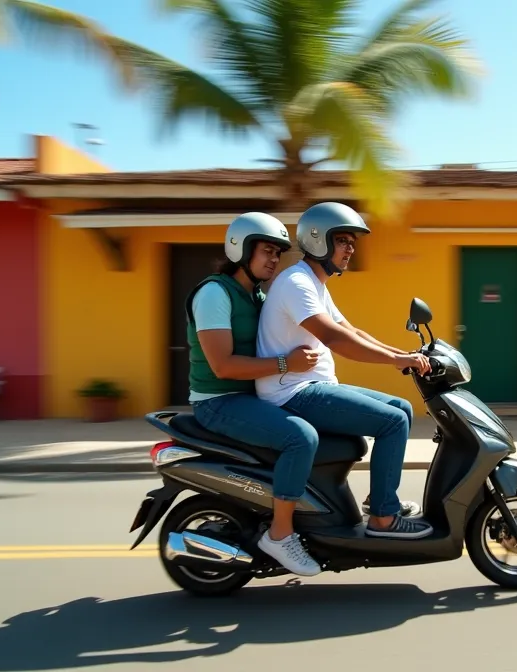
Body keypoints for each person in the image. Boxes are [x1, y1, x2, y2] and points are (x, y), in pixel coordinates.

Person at [255, 201, 435, 540]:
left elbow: (352, 331)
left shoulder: (315, 283)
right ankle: (384, 518)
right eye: (343, 241)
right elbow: (335, 338)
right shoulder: (297, 282)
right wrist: (397, 361)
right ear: (318, 239)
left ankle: (379, 499)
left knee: (402, 409)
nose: (351, 249)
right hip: (293, 392)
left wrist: (404, 354)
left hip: (309, 385)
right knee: (392, 422)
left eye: (353, 242)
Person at [185, 212, 326, 576]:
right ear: (241, 250)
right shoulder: (214, 293)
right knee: (300, 438)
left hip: (252, 397)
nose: (274, 260)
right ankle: (280, 534)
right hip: (219, 402)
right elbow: (223, 366)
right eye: (267, 251)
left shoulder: (258, 295)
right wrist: (287, 364)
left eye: (278, 253)